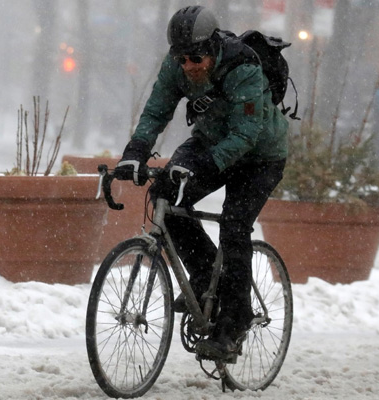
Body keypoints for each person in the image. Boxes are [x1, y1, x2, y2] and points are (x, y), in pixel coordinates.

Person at [114, 5, 289, 360]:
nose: (189, 65)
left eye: (196, 57)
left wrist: (205, 168)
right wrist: (135, 152)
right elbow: (157, 110)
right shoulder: (176, 65)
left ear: (212, 48)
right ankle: (208, 274)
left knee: (234, 225)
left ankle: (235, 320)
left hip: (259, 155)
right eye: (182, 59)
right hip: (210, 140)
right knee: (165, 193)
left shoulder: (243, 68)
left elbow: (245, 135)